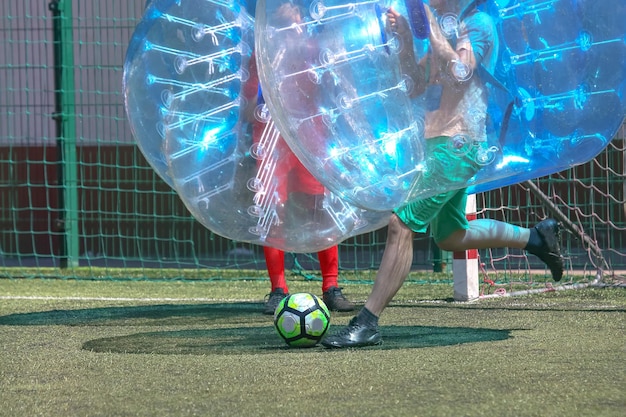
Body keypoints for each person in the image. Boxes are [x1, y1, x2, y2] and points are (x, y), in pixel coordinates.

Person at [321, 0, 565, 348]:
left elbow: (461, 70)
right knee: (451, 236)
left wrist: (431, 27)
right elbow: (417, 85)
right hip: (440, 142)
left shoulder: (477, 24)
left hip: (458, 145)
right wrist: (405, 38)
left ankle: (368, 321)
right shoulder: (450, 29)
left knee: (400, 224)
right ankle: (535, 239)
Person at [243, 2, 355, 315]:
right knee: (272, 212)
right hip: (270, 138)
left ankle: (330, 286)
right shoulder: (262, 51)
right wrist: (260, 107)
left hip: (311, 138)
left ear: (299, 10)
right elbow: (247, 104)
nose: (281, 7)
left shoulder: (316, 46)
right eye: (276, 4)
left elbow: (335, 90)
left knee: (320, 211)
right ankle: (278, 289)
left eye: (288, 3)